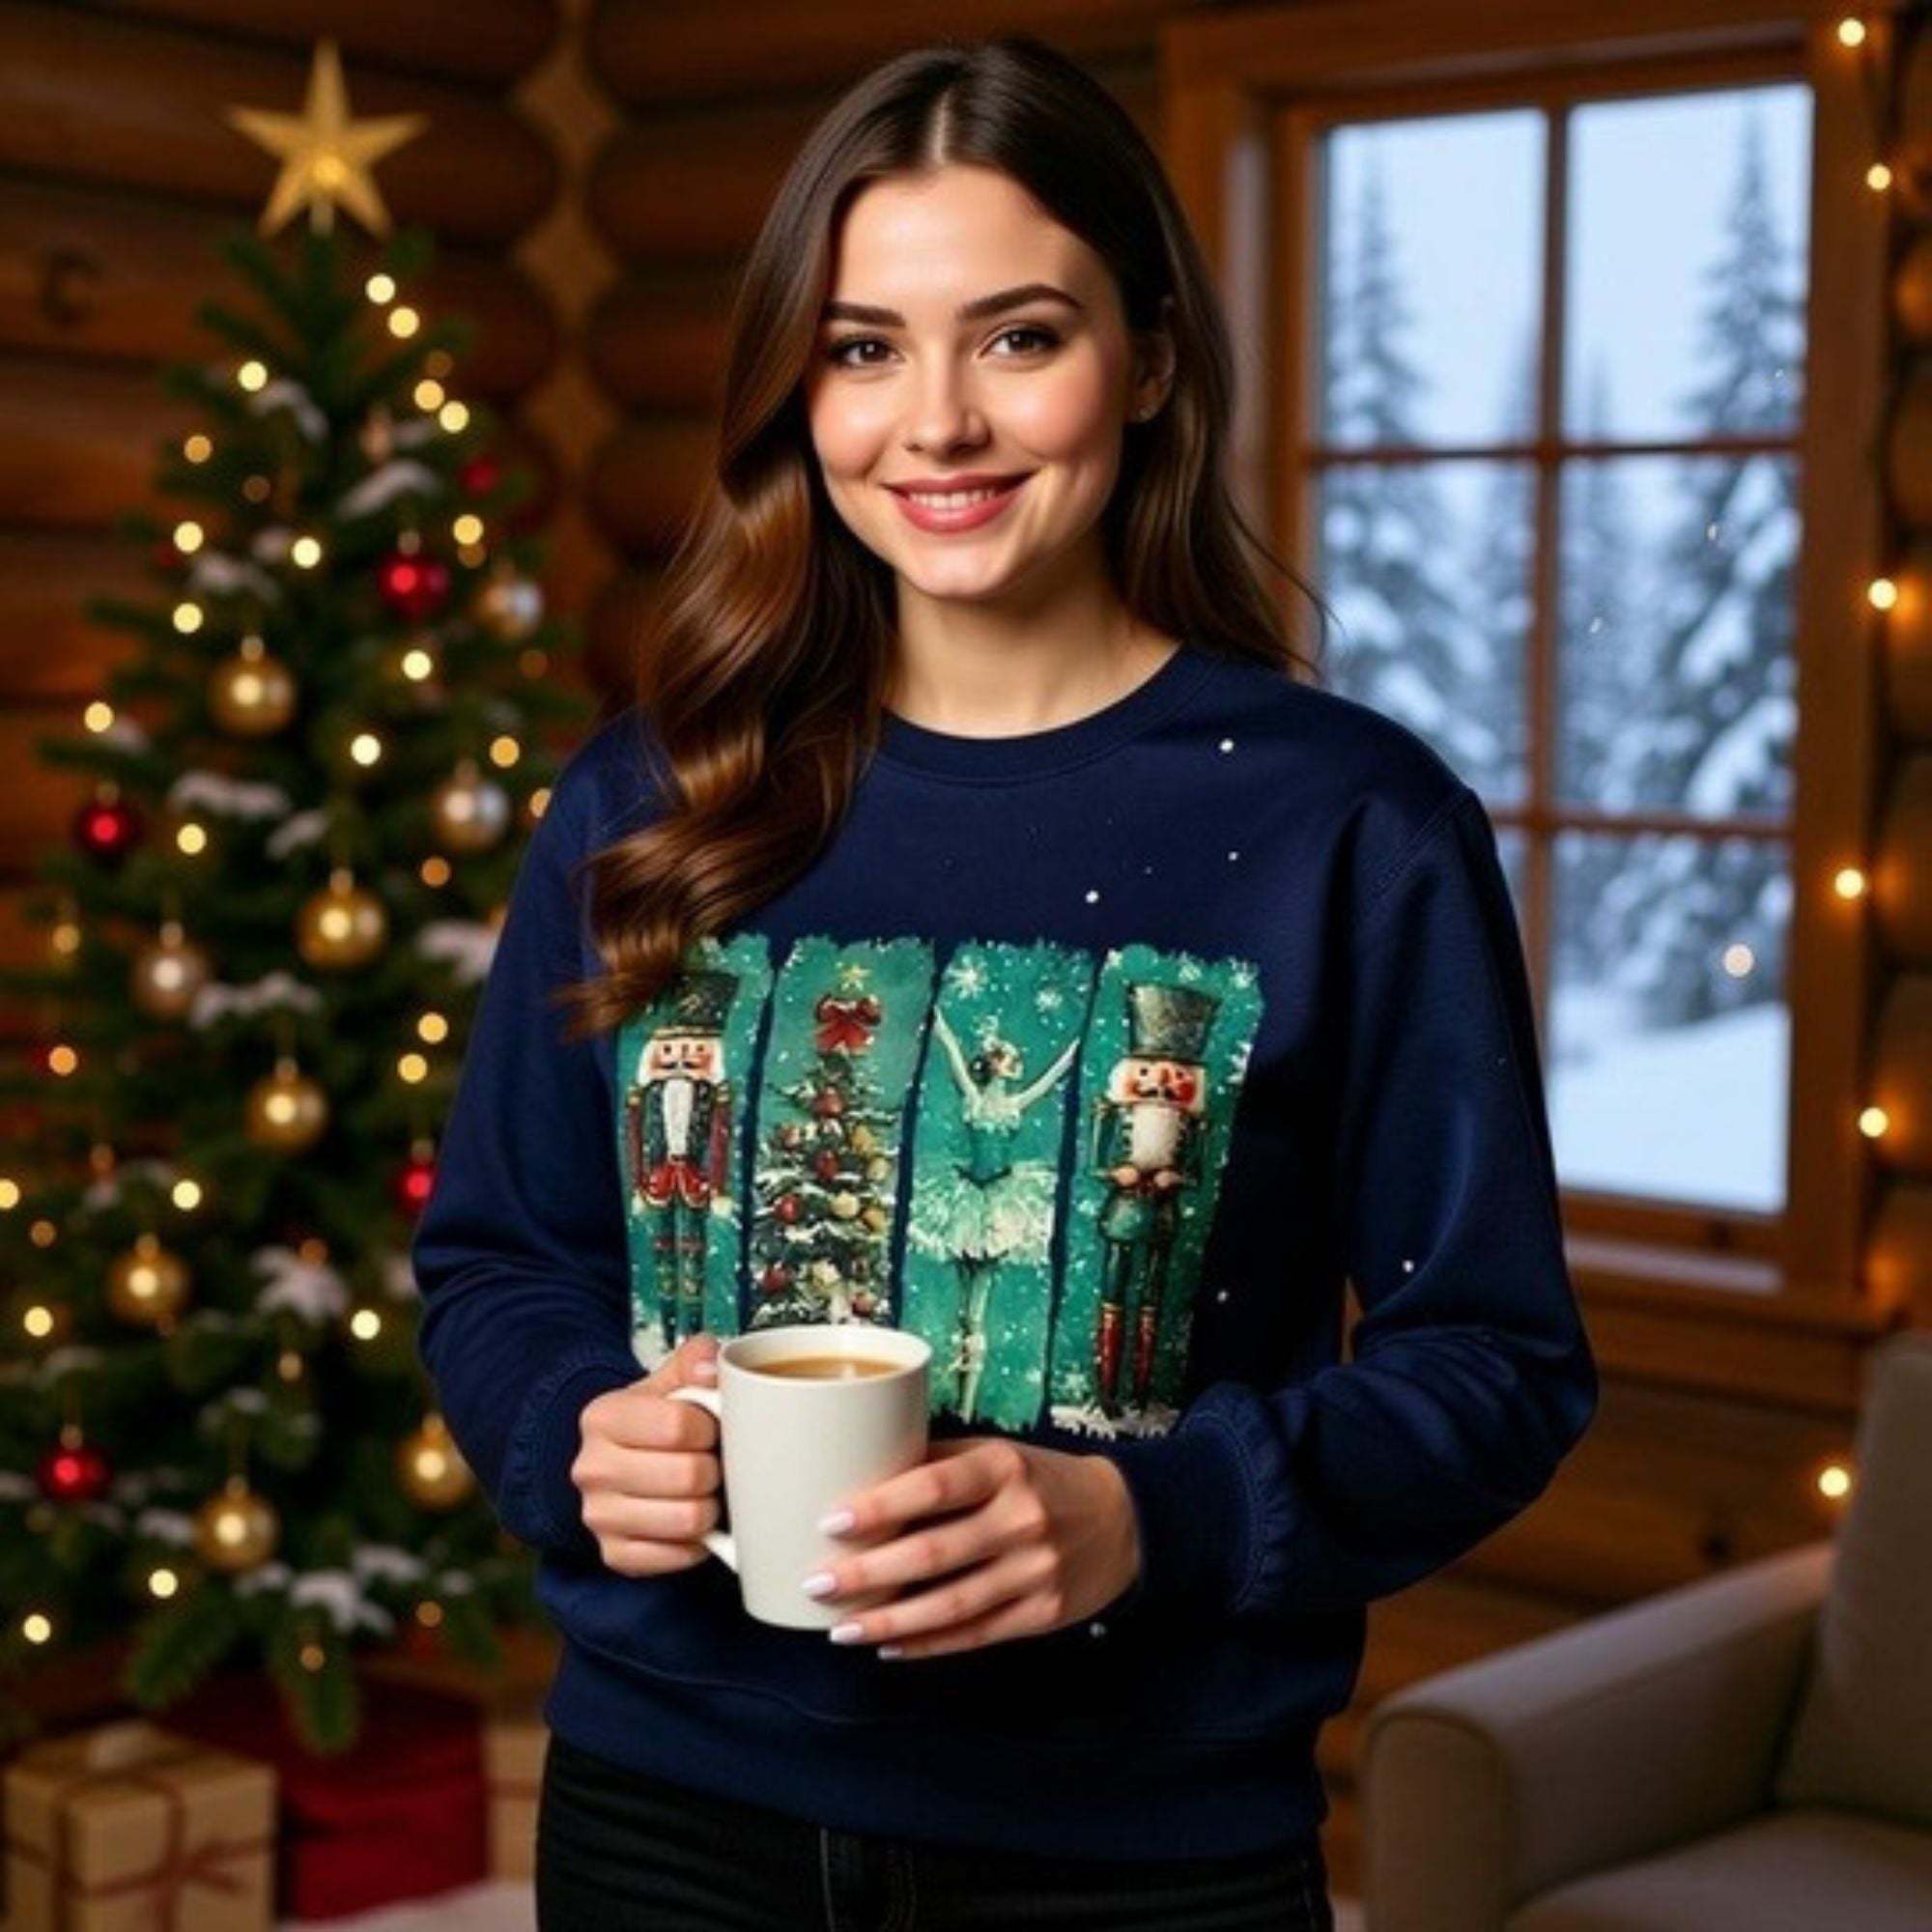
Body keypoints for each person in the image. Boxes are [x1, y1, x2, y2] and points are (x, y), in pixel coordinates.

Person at [411, 33, 1599, 1931]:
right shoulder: (645, 800)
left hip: (1137, 1855)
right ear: (800, 384)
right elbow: (501, 1255)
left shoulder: (1348, 826)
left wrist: (1158, 1516)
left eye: (1018, 336)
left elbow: (1498, 1360)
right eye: (865, 346)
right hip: (664, 1812)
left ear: (1141, 356)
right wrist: (571, 1429)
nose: (935, 422)